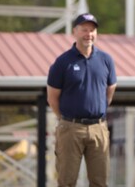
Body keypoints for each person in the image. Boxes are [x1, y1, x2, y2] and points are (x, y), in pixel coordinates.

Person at [47, 13, 117, 187]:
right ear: (75, 32)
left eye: (92, 30)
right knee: (67, 181)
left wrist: (97, 110)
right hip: (70, 128)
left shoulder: (106, 60)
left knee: (100, 182)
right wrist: (66, 119)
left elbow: (110, 90)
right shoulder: (62, 62)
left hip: (99, 128)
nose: (89, 34)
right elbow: (52, 97)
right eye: (84, 30)